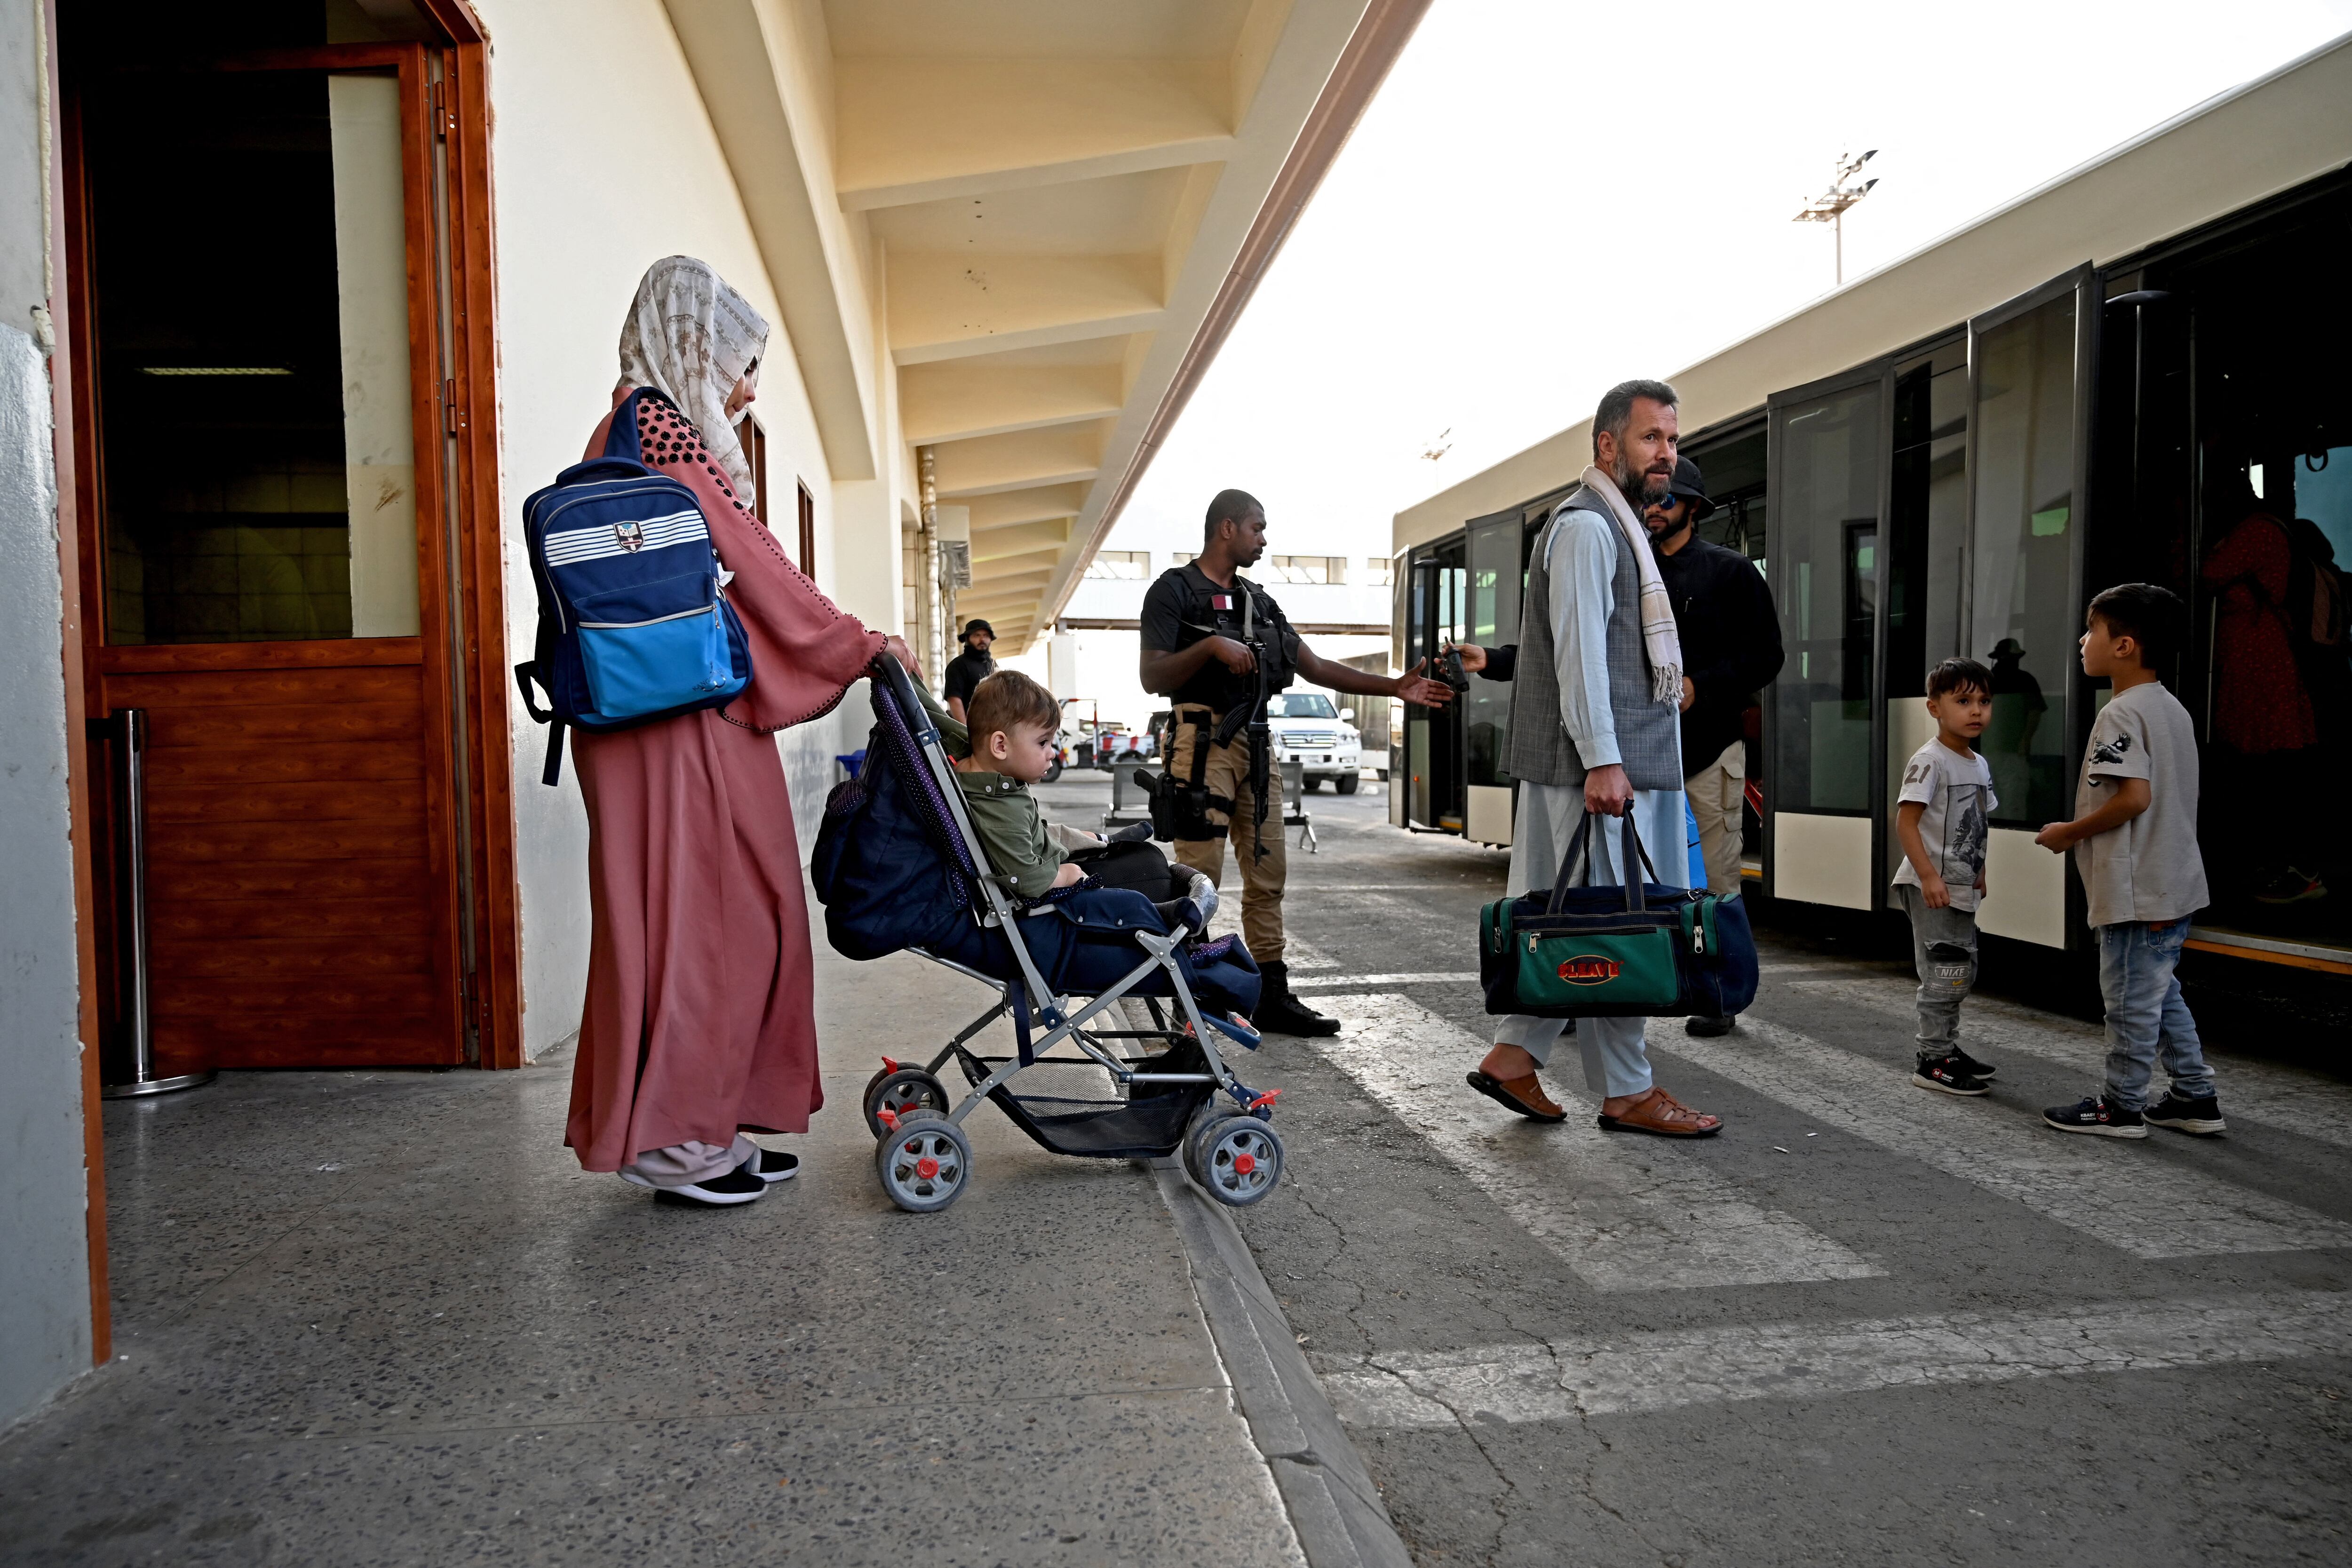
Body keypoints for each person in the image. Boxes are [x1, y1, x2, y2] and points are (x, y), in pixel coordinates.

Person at [568, 256, 920, 1207]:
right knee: (710, 924)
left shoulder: (627, 427)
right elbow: (751, 563)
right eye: (736, 358)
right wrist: (859, 642)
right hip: (677, 723)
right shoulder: (659, 428)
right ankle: (680, 1142)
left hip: (651, 715)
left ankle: (706, 1122)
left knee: (706, 918)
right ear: (690, 346)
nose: (749, 384)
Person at [1461, 380, 1721, 1137]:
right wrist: (1605, 760)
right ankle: (1628, 1091)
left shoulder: (1613, 527)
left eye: (1672, 439)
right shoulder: (1587, 530)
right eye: (1650, 439)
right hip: (1601, 770)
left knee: (1579, 920)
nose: (1667, 454)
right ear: (1608, 445)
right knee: (1621, 927)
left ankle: (1516, 1056)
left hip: (1610, 765)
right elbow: (1581, 656)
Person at [1139, 489, 1453, 1035]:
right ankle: (1186, 1009)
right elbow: (1152, 676)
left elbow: (1312, 664)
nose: (1264, 539)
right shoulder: (1172, 592)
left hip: (1256, 747)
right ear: (1226, 530)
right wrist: (1211, 649)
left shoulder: (1259, 602)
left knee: (1269, 876)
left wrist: (1392, 687)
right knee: (1199, 879)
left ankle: (1270, 994)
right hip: (1199, 744)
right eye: (1257, 529)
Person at [2033, 583, 2225, 1139]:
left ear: (2123, 646)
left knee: (2126, 1004)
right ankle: (2194, 1096)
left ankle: (2119, 1106)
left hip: (2135, 889)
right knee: (2160, 995)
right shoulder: (2170, 708)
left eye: (2091, 629)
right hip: (2172, 882)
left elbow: (2132, 798)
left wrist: (2068, 833)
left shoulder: (2119, 715)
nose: (2081, 639)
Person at [1645, 456, 1782, 1035]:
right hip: (1641, 752)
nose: (1653, 508)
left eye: (1667, 500)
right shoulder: (1628, 572)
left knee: (1719, 879)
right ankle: (1605, 983)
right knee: (1626, 874)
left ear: (1694, 509)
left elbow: (1765, 658)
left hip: (1709, 749)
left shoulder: (1732, 573)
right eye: (1647, 499)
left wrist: (1702, 686)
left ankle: (1721, 997)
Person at [925, 668, 1206, 922]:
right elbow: (1029, 879)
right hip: (1047, 897)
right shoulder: (999, 811)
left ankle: (1099, 841)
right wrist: (1066, 875)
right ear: (1000, 745)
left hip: (1043, 842)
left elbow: (930, 713)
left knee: (1143, 857)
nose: (1053, 752)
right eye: (1043, 742)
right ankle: (1160, 916)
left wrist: (901, 669)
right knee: (1149, 865)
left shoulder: (976, 762)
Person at [1892, 658, 2001, 1096]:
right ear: (1934, 708)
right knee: (1944, 973)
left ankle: (1947, 1046)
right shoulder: (1930, 761)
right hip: (1930, 886)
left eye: (1984, 701)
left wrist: (1980, 871)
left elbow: (1976, 824)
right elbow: (1906, 822)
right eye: (1963, 701)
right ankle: (1932, 1058)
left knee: (1960, 967)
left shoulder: (1977, 763)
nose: (1976, 711)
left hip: (1960, 885)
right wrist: (1929, 876)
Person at [942, 618, 996, 724]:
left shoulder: (992, 664)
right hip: (972, 727)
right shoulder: (958, 665)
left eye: (986, 636)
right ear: (968, 638)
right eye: (977, 635)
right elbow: (954, 698)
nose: (982, 639)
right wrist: (965, 730)